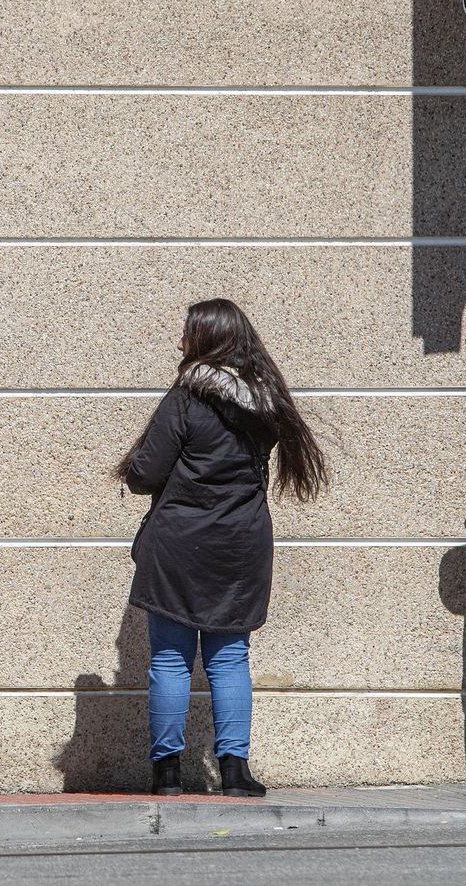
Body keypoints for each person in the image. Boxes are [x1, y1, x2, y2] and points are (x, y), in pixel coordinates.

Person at [114, 299, 328, 798]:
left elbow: (146, 475)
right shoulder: (268, 403)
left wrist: (131, 468)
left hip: (179, 545)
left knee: (170, 660)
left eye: (187, 333)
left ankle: (166, 774)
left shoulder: (186, 398)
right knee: (230, 658)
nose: (179, 342)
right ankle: (234, 772)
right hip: (241, 545)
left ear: (207, 340)